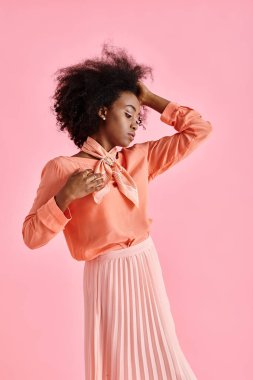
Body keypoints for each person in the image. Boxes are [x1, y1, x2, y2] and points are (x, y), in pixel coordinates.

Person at [22, 42, 212, 379]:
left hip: (145, 264)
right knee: (118, 364)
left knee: (163, 354)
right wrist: (65, 196)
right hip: (106, 275)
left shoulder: (138, 160)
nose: (136, 124)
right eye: (128, 113)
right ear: (101, 111)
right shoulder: (62, 169)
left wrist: (150, 98)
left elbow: (199, 129)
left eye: (138, 116)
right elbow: (32, 236)